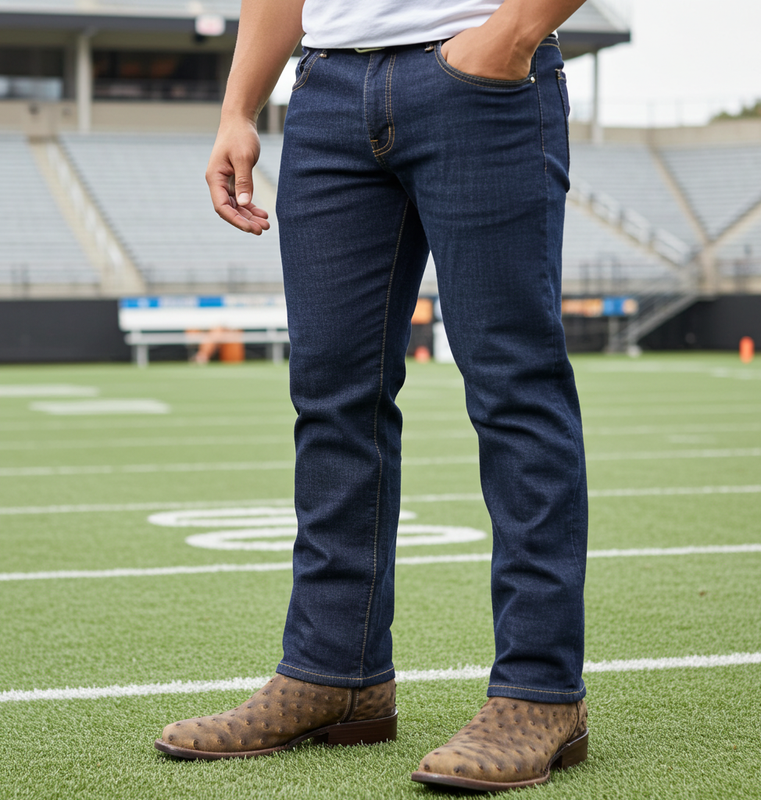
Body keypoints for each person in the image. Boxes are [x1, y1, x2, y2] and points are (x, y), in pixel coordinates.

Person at [155, 0, 590, 791]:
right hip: (324, 90)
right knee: (331, 400)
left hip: (482, 76)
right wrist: (236, 107)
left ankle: (539, 691)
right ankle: (333, 673)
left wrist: (513, 33)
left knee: (513, 391)